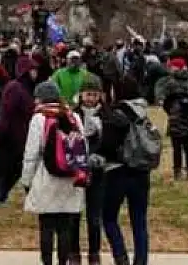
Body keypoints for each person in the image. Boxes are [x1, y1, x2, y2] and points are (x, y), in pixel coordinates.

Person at [21, 80, 85, 265]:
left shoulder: (39, 118)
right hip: (70, 177)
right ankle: (63, 261)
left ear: (39, 98)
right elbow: (83, 147)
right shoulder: (73, 116)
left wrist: (27, 180)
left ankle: (47, 261)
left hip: (47, 176)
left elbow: (31, 153)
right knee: (65, 226)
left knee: (47, 225)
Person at [98, 77, 153, 265]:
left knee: (108, 217)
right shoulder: (142, 111)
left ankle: (121, 256)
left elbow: (108, 144)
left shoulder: (116, 113)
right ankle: (141, 260)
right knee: (139, 221)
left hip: (117, 170)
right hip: (141, 170)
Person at [0, 55, 38, 206]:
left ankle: (30, 197)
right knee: (14, 169)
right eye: (32, 69)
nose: (35, 73)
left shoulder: (25, 88)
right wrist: (2, 134)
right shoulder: (15, 88)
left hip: (23, 135)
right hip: (14, 137)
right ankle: (0, 196)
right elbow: (8, 113)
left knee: (21, 168)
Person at [154, 56, 188, 180]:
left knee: (177, 148)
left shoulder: (170, 82)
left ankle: (177, 172)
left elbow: (162, 96)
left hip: (175, 117)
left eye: (172, 66)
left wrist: (167, 105)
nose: (170, 68)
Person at [74, 75, 106, 265]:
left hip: (98, 172)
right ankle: (74, 252)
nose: (91, 98)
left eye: (94, 95)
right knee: (74, 216)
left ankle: (94, 253)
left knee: (94, 217)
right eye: (88, 94)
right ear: (81, 95)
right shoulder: (73, 115)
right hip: (77, 171)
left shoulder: (106, 115)